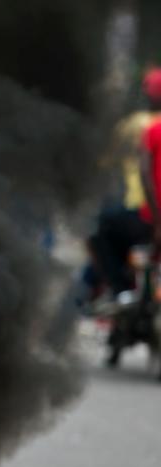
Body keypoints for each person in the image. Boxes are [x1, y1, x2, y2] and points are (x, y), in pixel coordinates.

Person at [90, 69, 161, 299]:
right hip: (144, 214)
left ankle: (119, 291)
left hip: (142, 210)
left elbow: (106, 162)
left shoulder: (139, 126)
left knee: (101, 230)